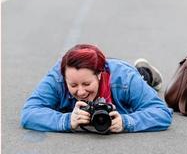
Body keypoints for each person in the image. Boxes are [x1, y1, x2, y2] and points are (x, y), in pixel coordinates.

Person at [21, 44, 172, 133]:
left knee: (140, 79)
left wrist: (126, 122)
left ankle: (147, 73)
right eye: (73, 85)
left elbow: (161, 113)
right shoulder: (57, 78)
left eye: (86, 84)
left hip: (124, 74)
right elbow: (29, 113)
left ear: (99, 75)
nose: (80, 92)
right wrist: (66, 120)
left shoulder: (124, 79)